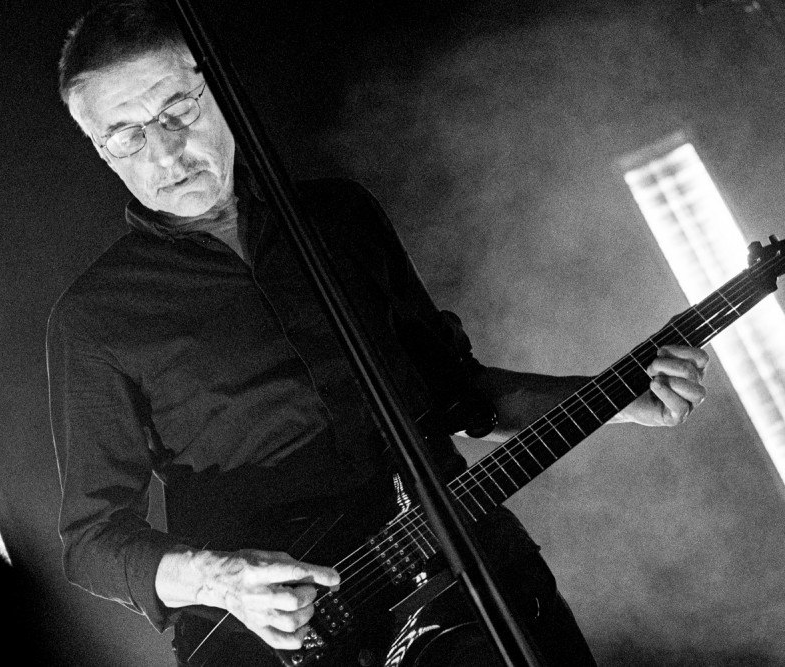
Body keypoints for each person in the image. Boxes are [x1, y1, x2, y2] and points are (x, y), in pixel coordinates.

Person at [46, 1, 709, 664]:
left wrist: (616, 399)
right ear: (100, 148)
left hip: (468, 570)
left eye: (177, 110)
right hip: (281, 639)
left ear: (216, 89)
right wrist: (218, 579)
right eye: (126, 135)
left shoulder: (339, 217)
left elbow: (459, 394)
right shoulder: (98, 316)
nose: (165, 151)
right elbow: (92, 538)